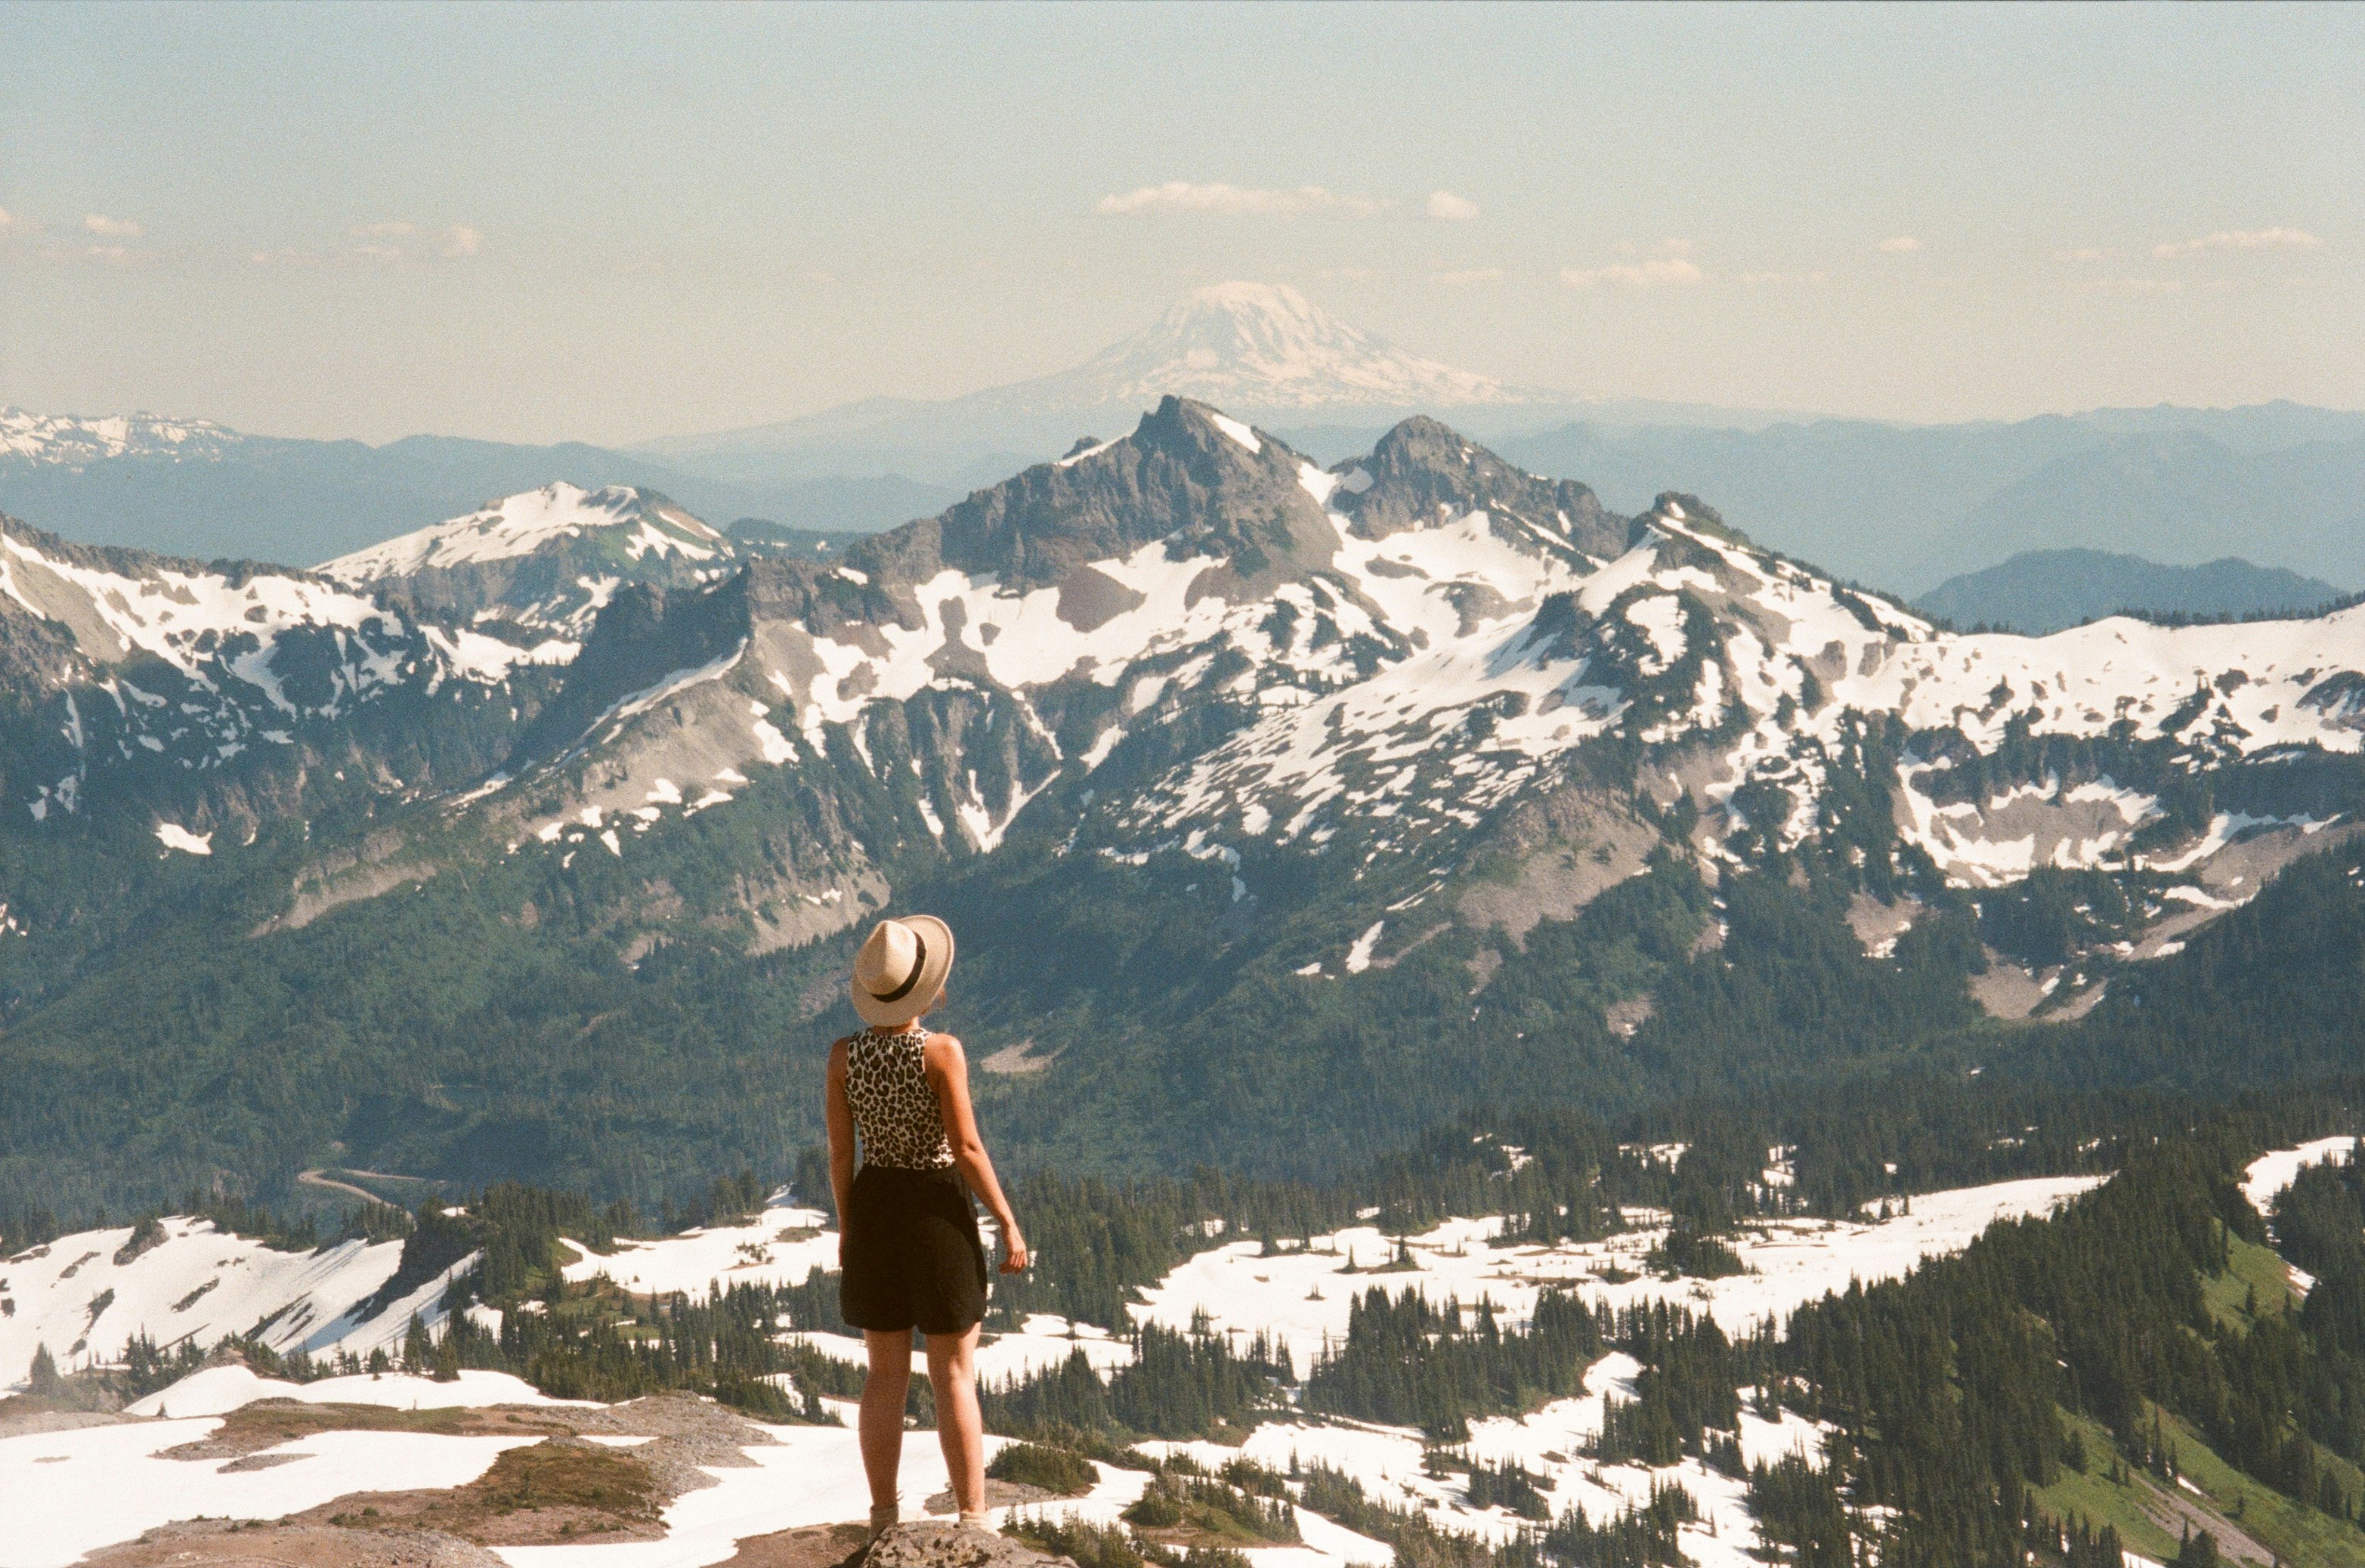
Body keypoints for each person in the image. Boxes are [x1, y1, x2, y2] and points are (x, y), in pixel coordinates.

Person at [825, 914, 1030, 1542]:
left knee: (883, 1373)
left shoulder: (843, 1056)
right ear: (926, 988)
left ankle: (884, 1516)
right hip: (937, 1209)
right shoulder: (942, 1051)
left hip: (876, 1204)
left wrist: (849, 1224)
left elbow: (841, 1154)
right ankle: (973, 1519)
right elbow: (965, 1146)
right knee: (953, 1371)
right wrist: (1007, 1219)